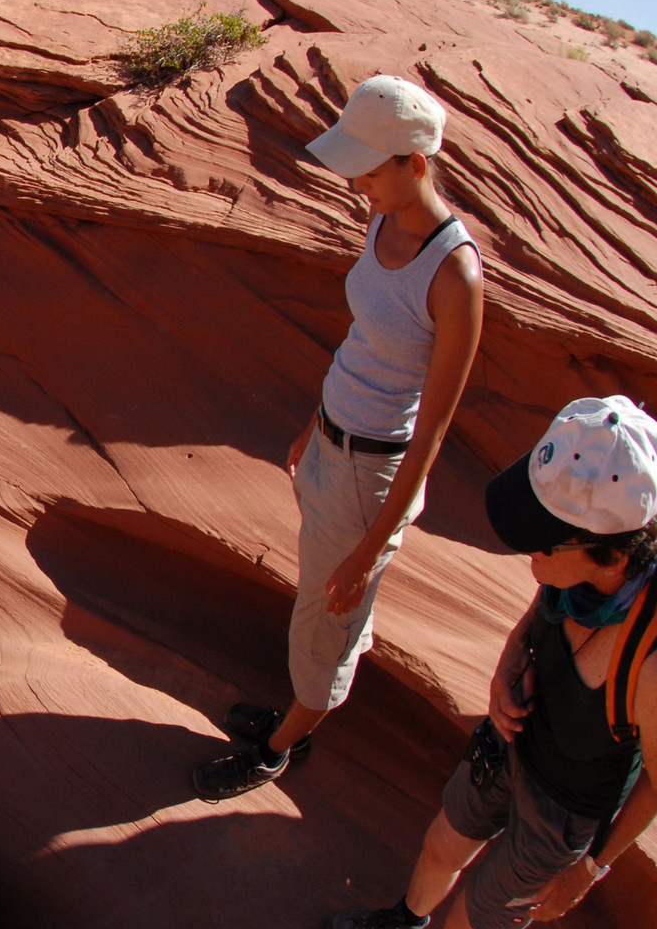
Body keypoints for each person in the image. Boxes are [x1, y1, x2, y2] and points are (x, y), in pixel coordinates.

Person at [194, 75, 485, 800]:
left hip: (374, 472)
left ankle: (280, 748)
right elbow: (363, 338)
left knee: (332, 617)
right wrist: (311, 424)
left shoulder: (453, 274)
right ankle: (297, 711)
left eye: (367, 170)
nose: (357, 185)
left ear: (414, 163)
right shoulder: (382, 220)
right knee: (315, 607)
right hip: (332, 441)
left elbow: (433, 431)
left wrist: (369, 546)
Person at [324, 396, 657, 929]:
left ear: (614, 556)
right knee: (441, 845)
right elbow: (541, 607)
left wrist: (590, 871)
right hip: (510, 742)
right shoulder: (580, 569)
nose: (530, 558)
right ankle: (402, 923)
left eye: (543, 543)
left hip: (565, 809)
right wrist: (509, 661)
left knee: (470, 924)